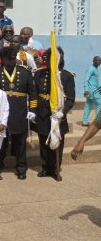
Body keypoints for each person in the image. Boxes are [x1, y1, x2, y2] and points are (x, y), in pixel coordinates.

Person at [0, 47, 37, 179]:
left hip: (20, 111)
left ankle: (21, 168)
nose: (12, 61)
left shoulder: (25, 72)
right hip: (2, 113)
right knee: (1, 143)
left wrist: (33, 110)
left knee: (20, 143)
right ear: (3, 59)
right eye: (9, 59)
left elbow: (33, 92)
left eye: (14, 58)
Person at [33, 47, 75, 181]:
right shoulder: (39, 74)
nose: (48, 60)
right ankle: (45, 168)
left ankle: (56, 169)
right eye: (47, 57)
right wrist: (34, 111)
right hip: (43, 112)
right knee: (43, 142)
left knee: (57, 143)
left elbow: (70, 99)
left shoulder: (66, 76)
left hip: (57, 114)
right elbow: (36, 94)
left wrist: (62, 112)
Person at [83, 56, 101, 126]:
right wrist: (86, 90)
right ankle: (98, 121)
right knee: (99, 104)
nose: (99, 62)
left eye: (100, 61)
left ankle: (85, 122)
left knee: (88, 105)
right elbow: (86, 80)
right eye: (97, 61)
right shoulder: (91, 69)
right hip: (92, 91)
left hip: (94, 90)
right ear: (94, 61)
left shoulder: (95, 69)